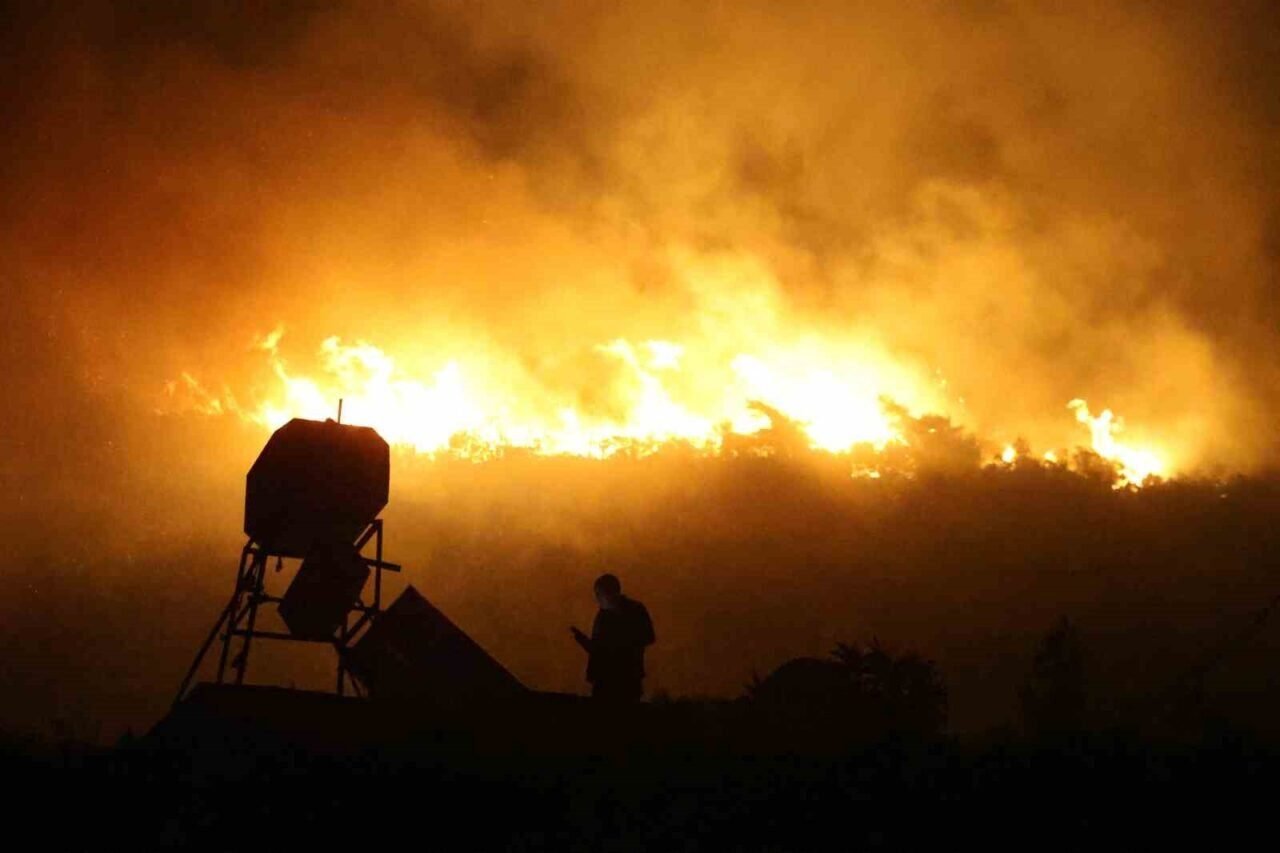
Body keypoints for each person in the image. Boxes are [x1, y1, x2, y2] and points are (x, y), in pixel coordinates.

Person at [571, 573, 655, 703]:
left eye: (599, 594)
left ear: (610, 593)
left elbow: (647, 637)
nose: (597, 598)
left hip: (622, 681)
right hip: (614, 681)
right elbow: (598, 650)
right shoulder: (607, 615)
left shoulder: (616, 614)